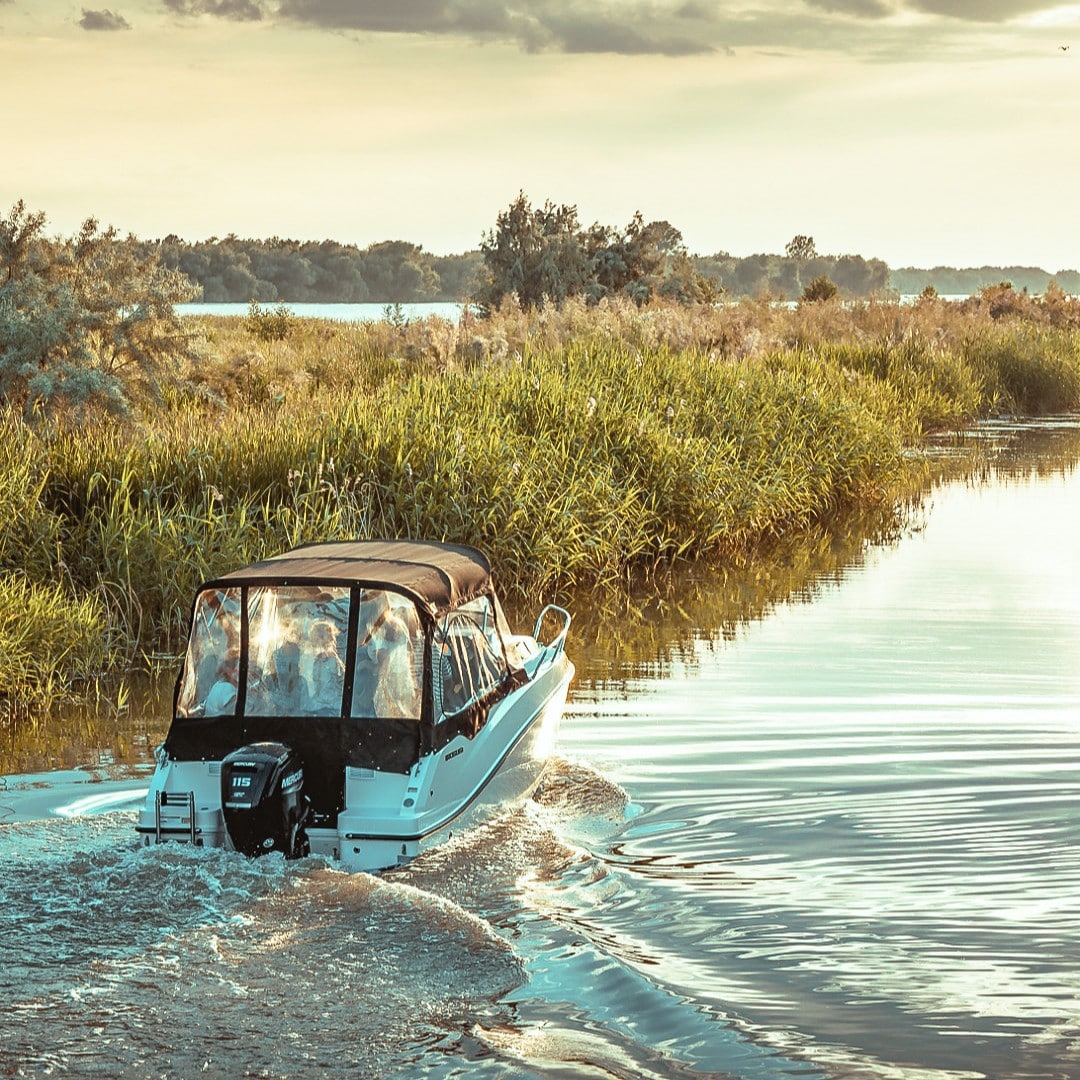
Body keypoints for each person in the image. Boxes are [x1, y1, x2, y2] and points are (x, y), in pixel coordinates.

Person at [309, 619, 345, 715]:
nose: (313, 644)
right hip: (321, 703)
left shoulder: (332, 659)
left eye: (315, 640)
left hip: (331, 706)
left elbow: (339, 681)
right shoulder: (318, 660)